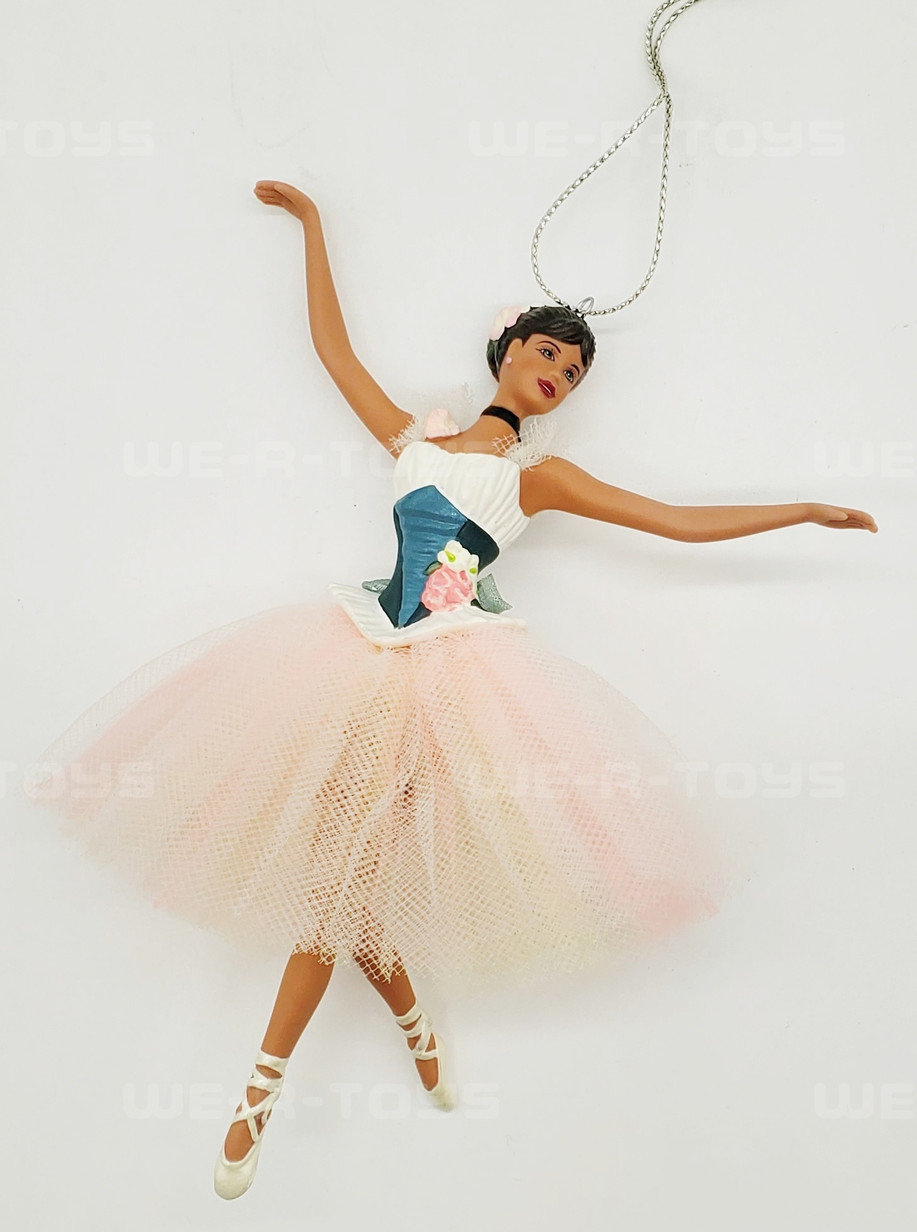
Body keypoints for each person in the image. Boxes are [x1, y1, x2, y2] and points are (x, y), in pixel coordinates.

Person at [25, 178, 877, 1201]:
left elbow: (672, 520)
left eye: (573, 370)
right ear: (504, 350)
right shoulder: (414, 440)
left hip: (453, 684)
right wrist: (313, 224)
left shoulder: (540, 479)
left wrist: (800, 509)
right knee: (343, 882)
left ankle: (258, 1091)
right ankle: (413, 1022)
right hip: (353, 655)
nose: (557, 373)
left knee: (332, 885)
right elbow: (331, 351)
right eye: (546, 352)